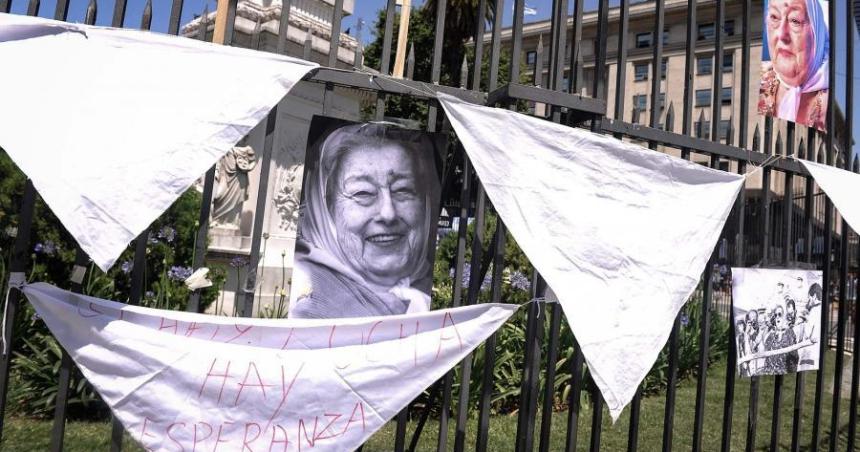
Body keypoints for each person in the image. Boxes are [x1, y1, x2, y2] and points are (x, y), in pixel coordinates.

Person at [289, 121, 440, 319]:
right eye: (363, 193)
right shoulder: (304, 295)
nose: (388, 214)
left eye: (403, 190)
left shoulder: (422, 303)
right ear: (328, 207)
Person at [757, 0, 829, 131]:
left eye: (795, 21)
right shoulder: (761, 76)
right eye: (774, 17)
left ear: (816, 33)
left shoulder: (832, 93)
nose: (781, 34)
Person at [763, 305, 799, 374]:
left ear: (784, 317)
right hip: (771, 373)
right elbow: (766, 353)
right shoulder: (771, 335)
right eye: (775, 315)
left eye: (780, 314)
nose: (777, 317)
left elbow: (794, 356)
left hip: (785, 372)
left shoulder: (789, 332)